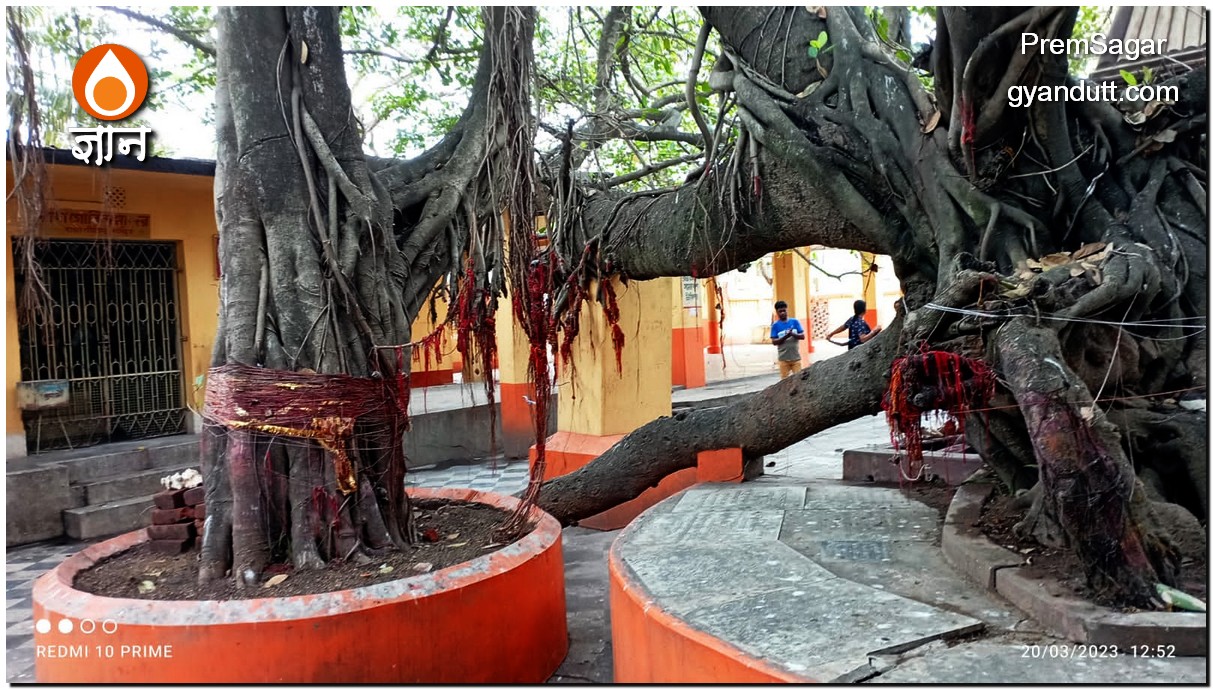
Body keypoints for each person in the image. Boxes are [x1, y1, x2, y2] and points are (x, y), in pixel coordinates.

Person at [770, 300, 805, 378]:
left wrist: (792, 334)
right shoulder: (775, 326)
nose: (782, 313)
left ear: (787, 310)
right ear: (777, 312)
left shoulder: (795, 322)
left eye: (784, 311)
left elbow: (802, 336)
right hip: (783, 359)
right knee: (784, 380)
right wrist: (786, 336)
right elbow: (774, 342)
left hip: (796, 358)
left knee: (798, 379)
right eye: (780, 311)